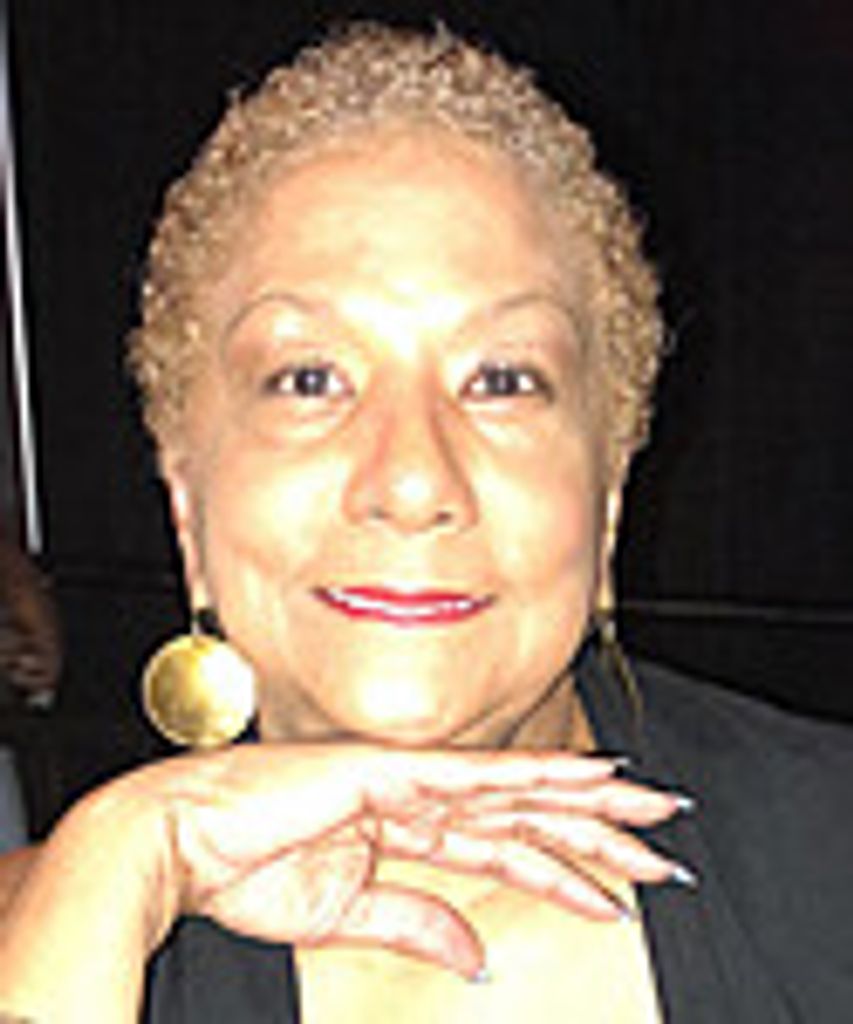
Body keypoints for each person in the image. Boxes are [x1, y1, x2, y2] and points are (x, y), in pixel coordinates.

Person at [0, 22, 850, 1023]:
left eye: (501, 380)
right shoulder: (57, 935)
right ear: (187, 500)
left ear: (609, 489)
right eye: (309, 379)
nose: (410, 480)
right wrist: (123, 865)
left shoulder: (828, 849)